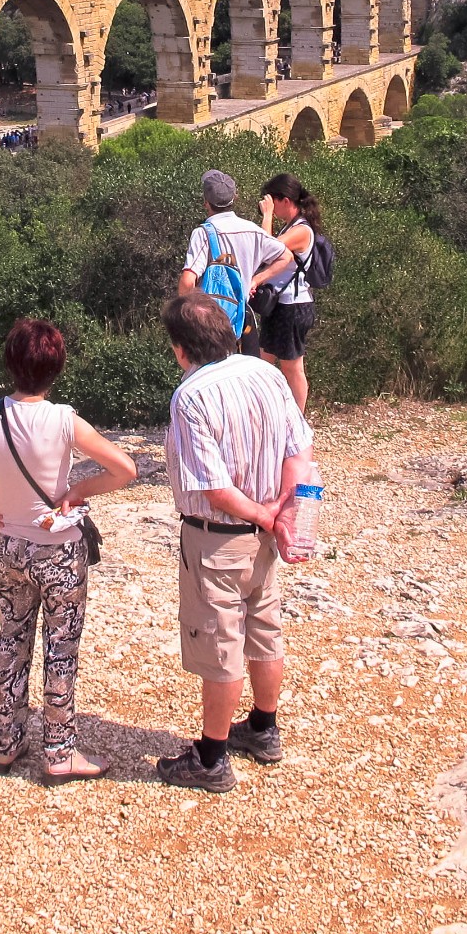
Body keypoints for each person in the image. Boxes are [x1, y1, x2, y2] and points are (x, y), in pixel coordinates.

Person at [0, 319, 138, 781]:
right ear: (55, 368)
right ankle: (59, 753)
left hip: (10, 548)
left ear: (10, 364)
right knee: (60, 650)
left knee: (11, 638)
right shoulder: (63, 419)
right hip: (58, 552)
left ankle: (8, 741)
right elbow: (125, 468)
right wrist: (77, 492)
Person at [154, 292, 313, 793]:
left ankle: (211, 757)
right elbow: (300, 449)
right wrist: (283, 514)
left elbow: (214, 488)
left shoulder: (191, 396)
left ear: (182, 348)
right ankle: (264, 729)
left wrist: (266, 514)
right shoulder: (266, 373)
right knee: (265, 629)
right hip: (265, 537)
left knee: (221, 642)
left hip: (217, 540)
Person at [177, 169, 292, 359]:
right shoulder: (252, 231)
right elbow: (285, 256)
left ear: (206, 202)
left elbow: (188, 281)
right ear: (235, 198)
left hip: (210, 323)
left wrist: (187, 315)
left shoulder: (204, 233)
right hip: (242, 319)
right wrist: (255, 280)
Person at [257, 173, 323, 412]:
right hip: (278, 305)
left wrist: (266, 216)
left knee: (292, 367)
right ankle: (268, 414)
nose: (273, 209)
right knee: (264, 361)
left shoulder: (302, 230)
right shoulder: (290, 226)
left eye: (274, 203)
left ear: (285, 200)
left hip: (294, 306)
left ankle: (298, 419)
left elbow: (267, 249)